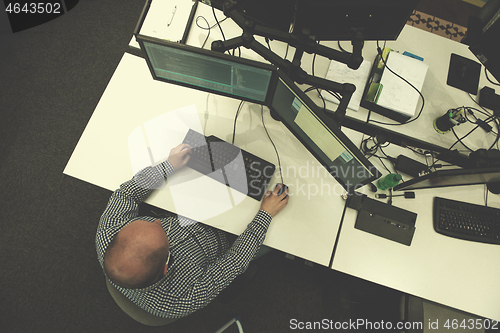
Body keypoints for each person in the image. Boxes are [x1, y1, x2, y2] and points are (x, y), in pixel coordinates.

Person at [96, 143, 289, 319]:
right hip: (223, 239)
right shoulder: (181, 299)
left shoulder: (108, 234)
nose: (157, 220)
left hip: (188, 210)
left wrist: (168, 166)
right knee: (281, 239)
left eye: (146, 222)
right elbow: (234, 262)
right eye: (162, 230)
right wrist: (265, 213)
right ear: (166, 266)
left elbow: (126, 195)